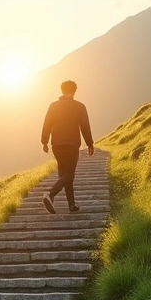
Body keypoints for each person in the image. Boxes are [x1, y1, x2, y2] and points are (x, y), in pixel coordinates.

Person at [40, 80, 95, 214]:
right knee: (69, 175)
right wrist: (89, 143)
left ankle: (71, 205)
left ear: (62, 90)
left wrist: (44, 141)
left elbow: (47, 124)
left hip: (57, 145)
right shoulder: (79, 106)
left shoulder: (53, 106)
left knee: (65, 175)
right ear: (74, 91)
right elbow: (85, 126)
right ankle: (50, 194)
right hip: (71, 145)